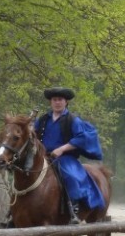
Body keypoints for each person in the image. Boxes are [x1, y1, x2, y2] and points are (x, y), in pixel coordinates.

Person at [34, 87, 105, 224]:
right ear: (51, 102)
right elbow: (33, 134)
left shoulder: (72, 120)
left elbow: (81, 138)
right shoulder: (43, 119)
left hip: (65, 158)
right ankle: (12, 215)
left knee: (69, 176)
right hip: (44, 157)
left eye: (60, 100)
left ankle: (74, 209)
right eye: (55, 100)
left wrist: (62, 149)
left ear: (66, 102)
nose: (57, 102)